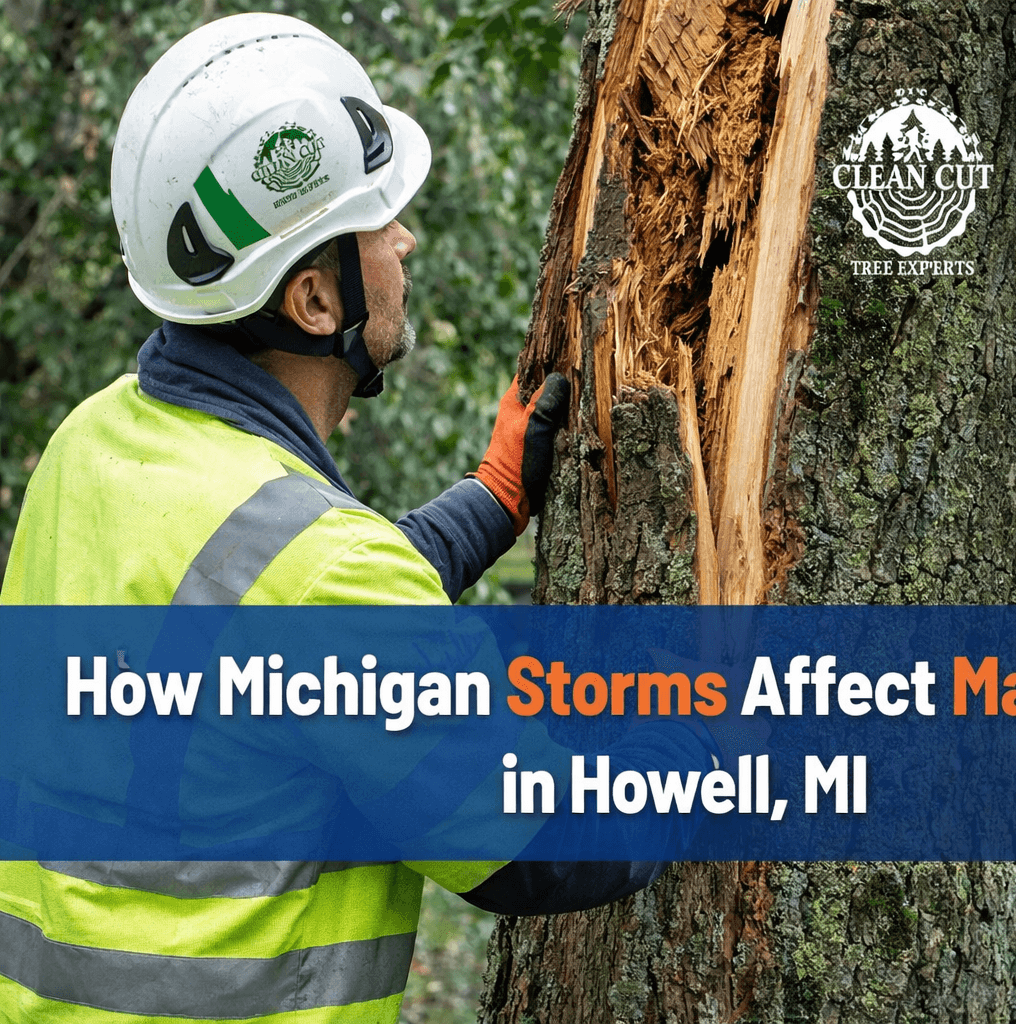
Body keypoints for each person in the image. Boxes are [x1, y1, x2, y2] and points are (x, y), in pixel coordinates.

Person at [0, 13, 714, 1023]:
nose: (404, 240)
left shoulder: (91, 446)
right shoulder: (320, 576)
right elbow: (536, 843)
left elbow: (260, 621)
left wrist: (491, 498)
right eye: (378, 224)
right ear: (314, 302)